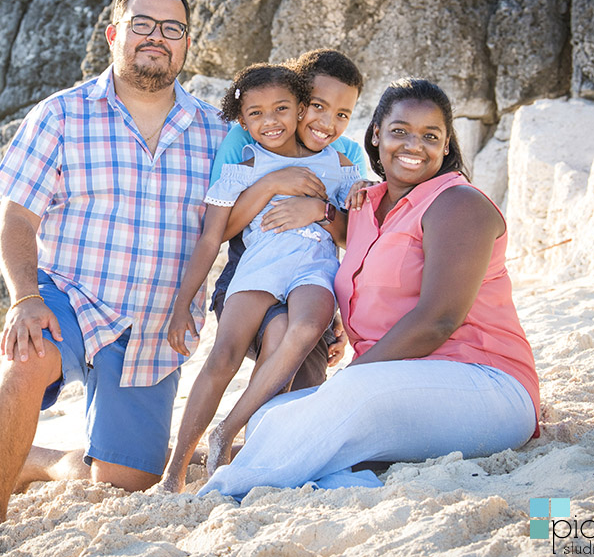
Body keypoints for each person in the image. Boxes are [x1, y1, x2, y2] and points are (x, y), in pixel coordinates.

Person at [198, 78, 540, 499]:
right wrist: (322, 211)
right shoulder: (366, 203)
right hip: (398, 382)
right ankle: (344, 483)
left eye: (430, 136)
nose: (413, 145)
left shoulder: (458, 204)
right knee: (270, 416)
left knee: (344, 397)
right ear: (376, 133)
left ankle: (224, 490)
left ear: (447, 145)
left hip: (485, 385)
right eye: (399, 131)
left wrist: (345, 382)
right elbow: (348, 247)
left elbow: (437, 321)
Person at [0, 0, 227, 523]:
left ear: (186, 44)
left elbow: (253, 216)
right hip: (71, 297)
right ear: (114, 34)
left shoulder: (216, 131)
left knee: (124, 484)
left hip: (156, 325)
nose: (156, 37)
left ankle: (35, 463)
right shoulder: (60, 115)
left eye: (172, 29)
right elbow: (17, 219)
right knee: (26, 356)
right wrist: (24, 298)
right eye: (142, 24)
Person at [159, 64, 361, 492]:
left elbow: (356, 236)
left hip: (314, 269)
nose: (271, 121)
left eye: (282, 110)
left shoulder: (342, 163)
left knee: (304, 328)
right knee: (223, 356)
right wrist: (182, 306)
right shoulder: (247, 157)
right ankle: (174, 471)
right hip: (258, 267)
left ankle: (232, 436)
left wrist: (332, 209)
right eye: (257, 114)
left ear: (296, 108)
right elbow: (214, 234)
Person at [209, 49, 367, 393]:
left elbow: (350, 239)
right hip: (249, 277)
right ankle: (248, 436)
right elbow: (218, 229)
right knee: (279, 339)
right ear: (295, 100)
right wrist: (271, 184)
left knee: (308, 378)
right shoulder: (248, 138)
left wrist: (319, 210)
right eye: (317, 106)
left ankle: (275, 443)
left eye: (342, 113)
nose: (326, 123)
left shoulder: (347, 155)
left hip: (311, 281)